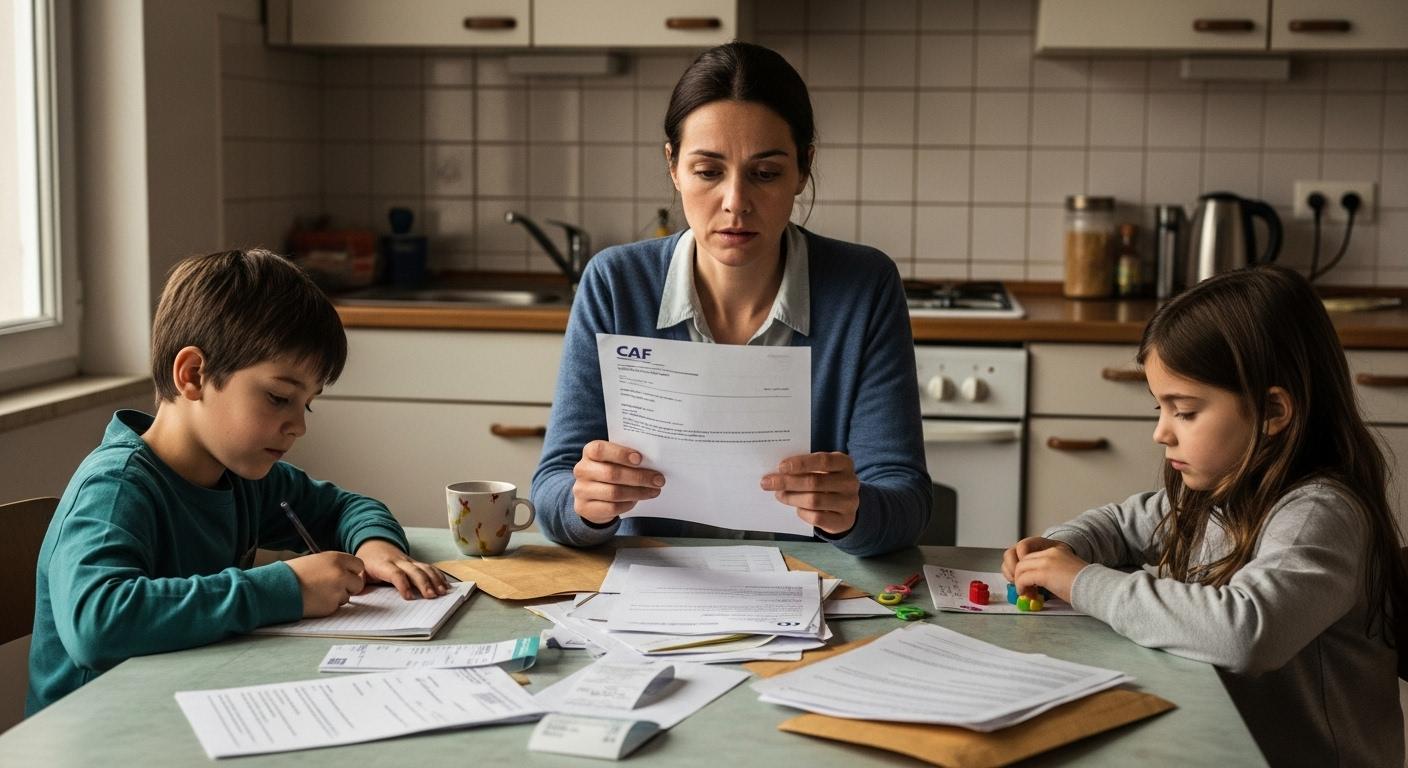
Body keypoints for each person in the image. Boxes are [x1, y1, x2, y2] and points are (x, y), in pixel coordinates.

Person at [532, 42, 930, 557]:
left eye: (765, 174)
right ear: (673, 166)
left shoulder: (864, 285)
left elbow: (907, 500)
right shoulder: (615, 282)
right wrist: (585, 502)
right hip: (652, 594)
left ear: (803, 169)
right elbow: (550, 493)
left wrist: (852, 512)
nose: (736, 202)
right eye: (708, 171)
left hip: (811, 591)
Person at [1003, 265, 1406, 766]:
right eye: (1160, 409)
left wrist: (1082, 581)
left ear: (1274, 412)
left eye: (1185, 411)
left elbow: (1246, 631)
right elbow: (1121, 523)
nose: (1161, 433)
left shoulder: (1320, 514)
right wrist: (1061, 548)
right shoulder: (1219, 490)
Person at [26, 249, 448, 714]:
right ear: (193, 375)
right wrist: (284, 588)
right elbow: (98, 624)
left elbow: (345, 507)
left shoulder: (243, 476)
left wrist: (376, 547)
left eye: (306, 404)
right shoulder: (116, 489)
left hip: (188, 716)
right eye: (278, 397)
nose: (299, 426)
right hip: (96, 738)